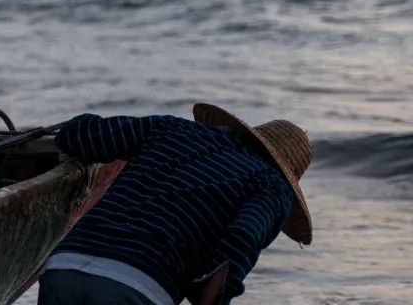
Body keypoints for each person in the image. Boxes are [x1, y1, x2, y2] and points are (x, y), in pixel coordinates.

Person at [38, 104, 313, 305]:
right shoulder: (271, 184)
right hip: (139, 284)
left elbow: (81, 137)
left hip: (63, 267)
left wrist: (82, 122)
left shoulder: (172, 128)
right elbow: (242, 238)